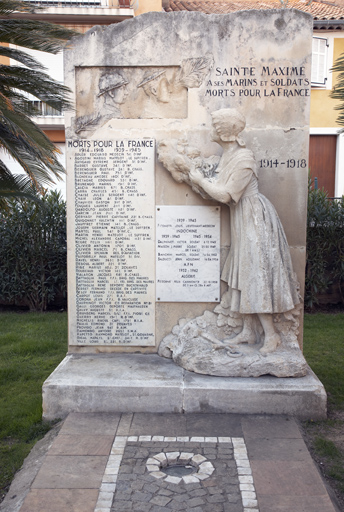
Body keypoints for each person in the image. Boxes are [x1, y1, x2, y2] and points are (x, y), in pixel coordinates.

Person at [186, 108, 300, 355]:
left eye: (214, 126)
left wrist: (199, 180)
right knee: (243, 273)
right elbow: (217, 190)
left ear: (225, 133)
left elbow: (226, 194)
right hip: (242, 219)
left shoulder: (244, 159)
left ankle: (271, 336)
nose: (210, 130)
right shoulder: (227, 156)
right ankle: (249, 331)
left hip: (254, 220)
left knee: (255, 275)